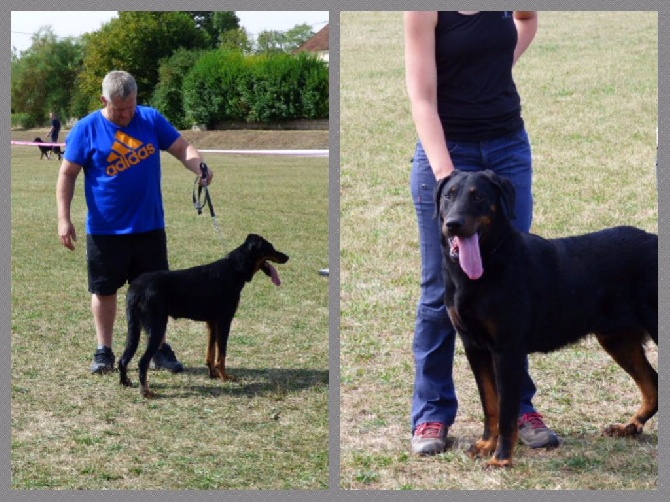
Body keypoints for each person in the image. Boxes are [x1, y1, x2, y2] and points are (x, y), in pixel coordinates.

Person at [404, 11, 560, 455]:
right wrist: (448, 184)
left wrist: (491, 67)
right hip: (446, 153)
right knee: (441, 292)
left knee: (513, 288)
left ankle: (518, 408)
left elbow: (526, 19)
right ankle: (432, 413)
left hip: (508, 146)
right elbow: (422, 99)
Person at [56, 70, 214, 374]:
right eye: (119, 110)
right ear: (104, 100)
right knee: (104, 290)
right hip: (106, 230)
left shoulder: (151, 119)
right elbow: (67, 174)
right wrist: (64, 219)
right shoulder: (86, 129)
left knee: (156, 292)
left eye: (131, 107)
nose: (127, 115)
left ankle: (159, 348)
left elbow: (182, 148)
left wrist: (200, 167)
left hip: (149, 227)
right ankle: (104, 351)